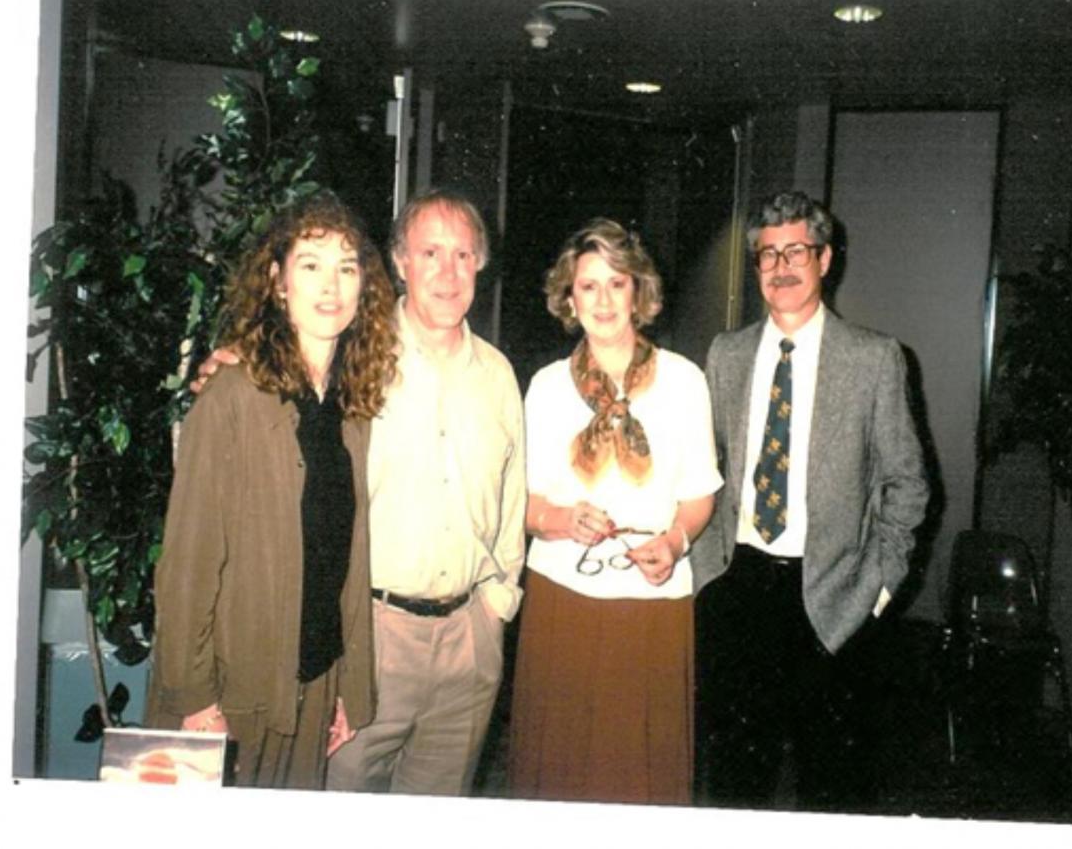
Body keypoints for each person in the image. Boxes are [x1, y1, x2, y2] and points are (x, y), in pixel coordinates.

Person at [146, 195, 399, 789]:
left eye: (346, 266)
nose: (330, 284)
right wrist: (193, 697)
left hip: (314, 687)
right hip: (235, 695)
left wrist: (348, 690)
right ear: (277, 281)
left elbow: (347, 562)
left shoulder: (352, 405)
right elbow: (187, 564)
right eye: (310, 264)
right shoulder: (233, 395)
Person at [692, 191, 929, 810]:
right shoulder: (727, 355)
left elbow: (907, 482)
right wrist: (703, 579)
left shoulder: (876, 359)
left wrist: (878, 585)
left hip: (835, 596)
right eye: (768, 254)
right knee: (735, 788)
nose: (781, 265)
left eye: (796, 250)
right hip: (736, 590)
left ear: (825, 260)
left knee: (833, 789)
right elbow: (701, 469)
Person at [508, 218, 722, 806]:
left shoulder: (685, 381)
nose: (603, 300)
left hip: (655, 602)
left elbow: (700, 492)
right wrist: (559, 520)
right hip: (563, 598)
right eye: (588, 286)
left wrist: (676, 542)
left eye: (617, 283)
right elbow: (517, 504)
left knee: (639, 771)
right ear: (569, 298)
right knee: (560, 769)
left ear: (639, 293)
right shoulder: (546, 387)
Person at [323, 191, 527, 796]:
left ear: (480, 265)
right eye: (430, 252)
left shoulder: (498, 375)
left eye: (463, 254)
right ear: (398, 263)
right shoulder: (351, 357)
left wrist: (497, 605)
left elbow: (511, 501)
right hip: (371, 639)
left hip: (469, 641)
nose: (448, 272)